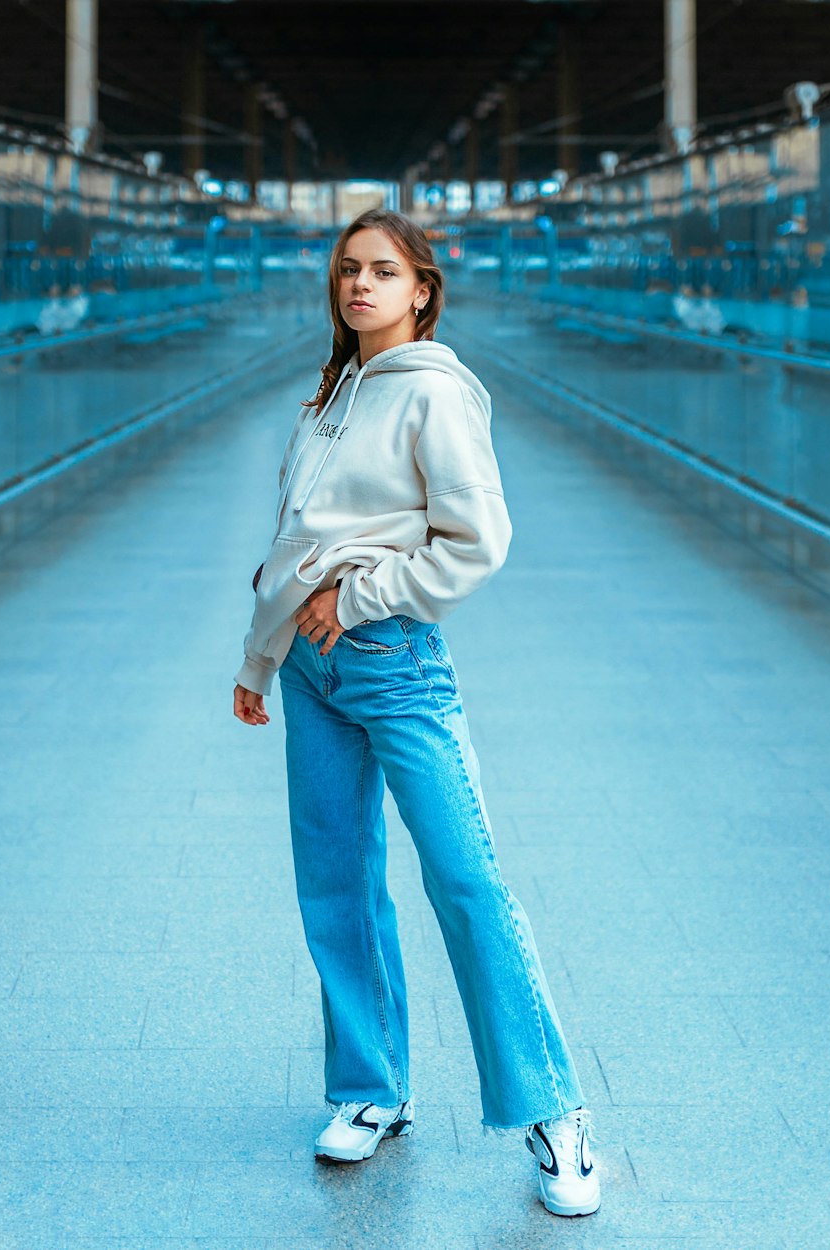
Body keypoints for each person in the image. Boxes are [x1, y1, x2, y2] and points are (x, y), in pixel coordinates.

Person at [232, 208, 600, 1218]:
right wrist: (259, 658)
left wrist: (355, 599)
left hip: (392, 662)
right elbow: (292, 539)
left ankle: (552, 1109)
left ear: (421, 291)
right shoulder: (333, 390)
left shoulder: (434, 391)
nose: (360, 285)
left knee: (466, 876)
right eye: (348, 269)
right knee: (337, 881)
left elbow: (476, 541)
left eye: (383, 271)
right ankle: (369, 1086)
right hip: (312, 673)